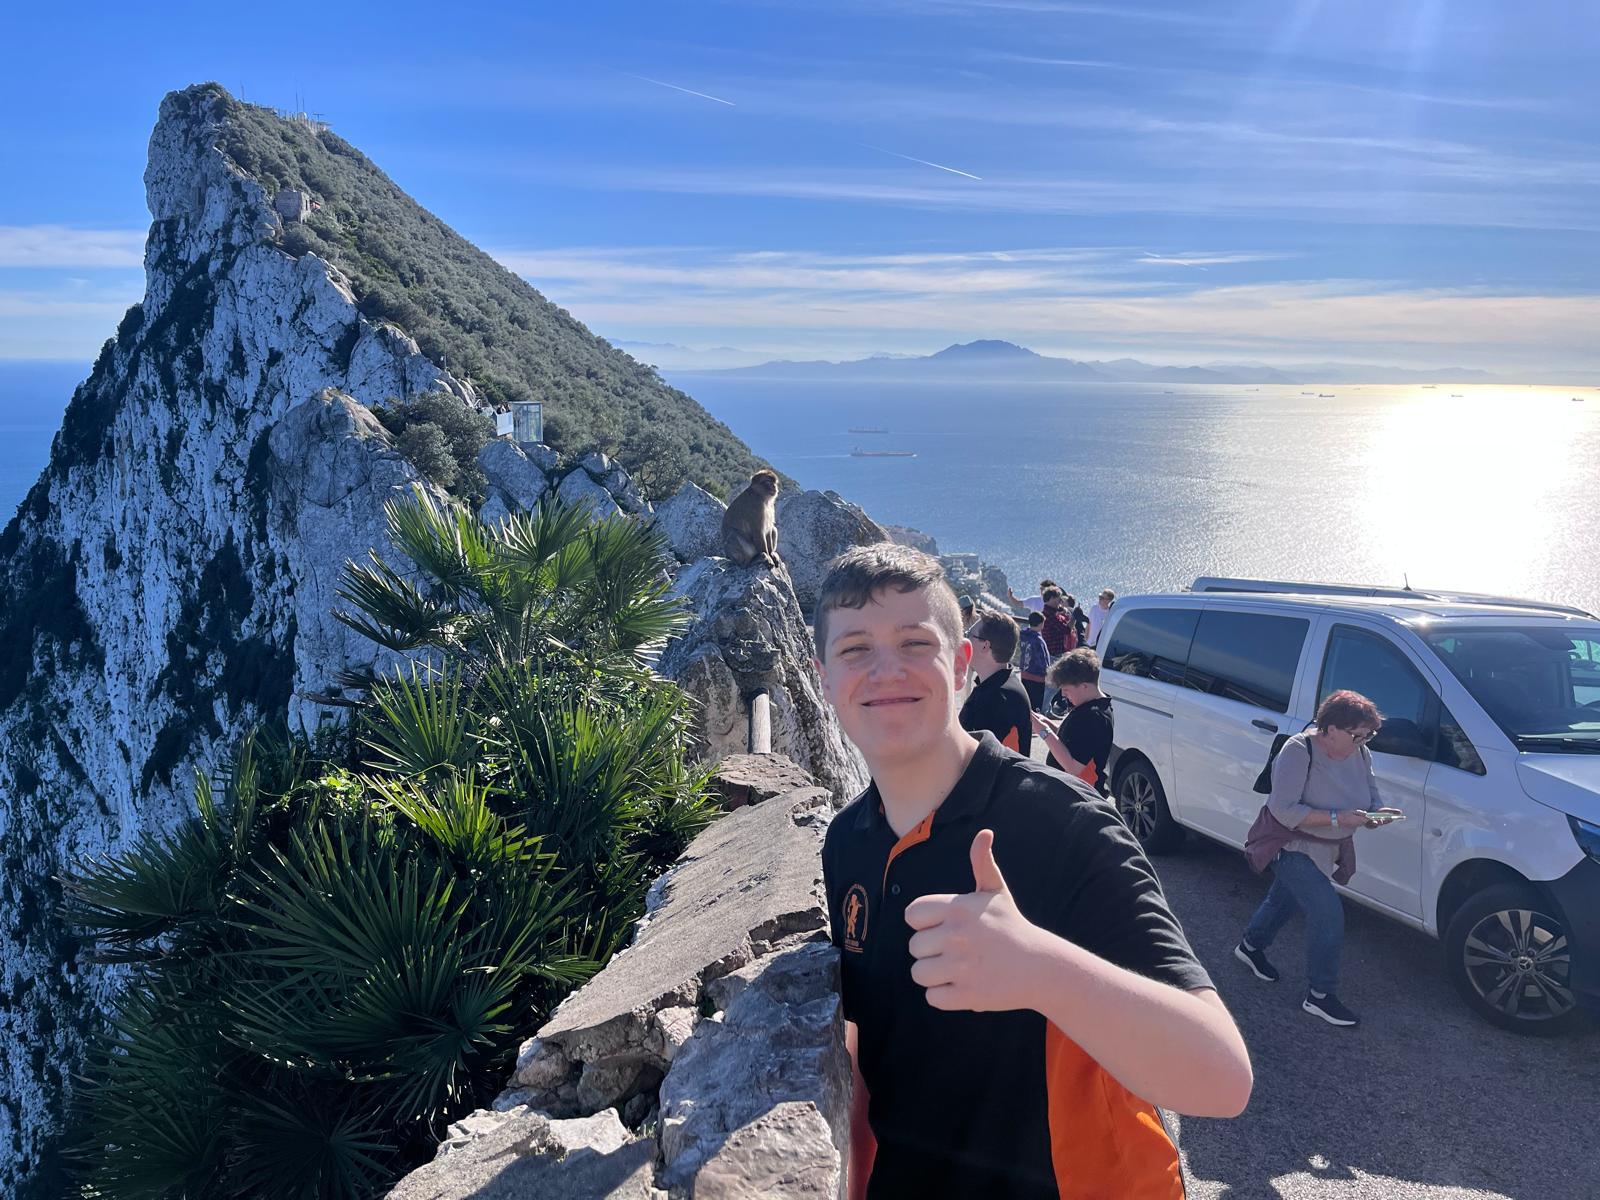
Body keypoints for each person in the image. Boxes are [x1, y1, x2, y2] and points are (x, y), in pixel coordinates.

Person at [812, 543, 1252, 1199]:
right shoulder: (848, 841)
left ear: (962, 664)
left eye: (914, 642)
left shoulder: (1065, 825)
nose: (885, 670)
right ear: (823, 678)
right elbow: (866, 1048)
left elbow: (1221, 1076)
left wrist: (1038, 968)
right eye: (855, 650)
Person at [1234, 690, 1405, 1028]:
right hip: (1290, 845)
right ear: (1330, 730)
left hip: (1330, 847)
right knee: (1328, 914)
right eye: (1356, 735)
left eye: (1368, 735)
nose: (1362, 742)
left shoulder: (1361, 753)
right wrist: (1340, 818)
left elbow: (1370, 798)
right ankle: (1320, 995)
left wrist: (1376, 815)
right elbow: (1283, 811)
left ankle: (1250, 946)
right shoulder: (1299, 750)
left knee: (1283, 899)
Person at [1030, 648, 1113, 795]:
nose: (1063, 694)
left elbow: (1073, 767)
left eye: (1066, 689)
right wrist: (1048, 724)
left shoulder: (1095, 717)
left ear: (1084, 686)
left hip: (1078, 796)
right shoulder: (1089, 706)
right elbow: (1074, 741)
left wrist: (1044, 732)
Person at [959, 612, 1033, 755]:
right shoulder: (1002, 685)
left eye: (969, 635)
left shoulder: (996, 699)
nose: (964, 640)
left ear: (985, 646)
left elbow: (976, 760)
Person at [1017, 611, 1051, 712]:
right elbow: (1042, 659)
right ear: (1041, 624)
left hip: (1024, 673)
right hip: (1037, 676)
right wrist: (1047, 671)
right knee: (1036, 705)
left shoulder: (1023, 635)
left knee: (1026, 701)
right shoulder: (1038, 640)